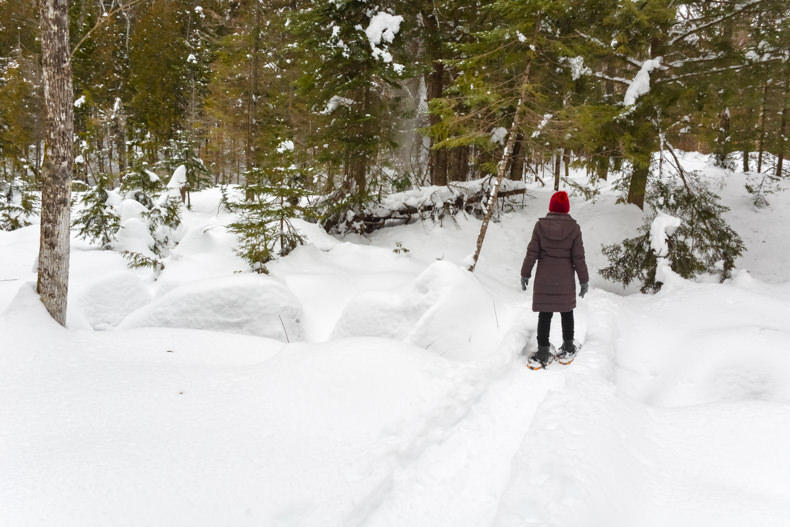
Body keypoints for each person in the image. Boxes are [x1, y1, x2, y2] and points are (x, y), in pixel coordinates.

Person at [520, 191, 589, 369]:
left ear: (551, 207)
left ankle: (543, 349)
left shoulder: (540, 226)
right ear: (566, 208)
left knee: (545, 313)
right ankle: (568, 345)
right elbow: (579, 257)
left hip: (544, 277)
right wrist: (583, 280)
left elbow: (532, 252)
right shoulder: (574, 228)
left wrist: (525, 273)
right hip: (565, 278)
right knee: (567, 312)